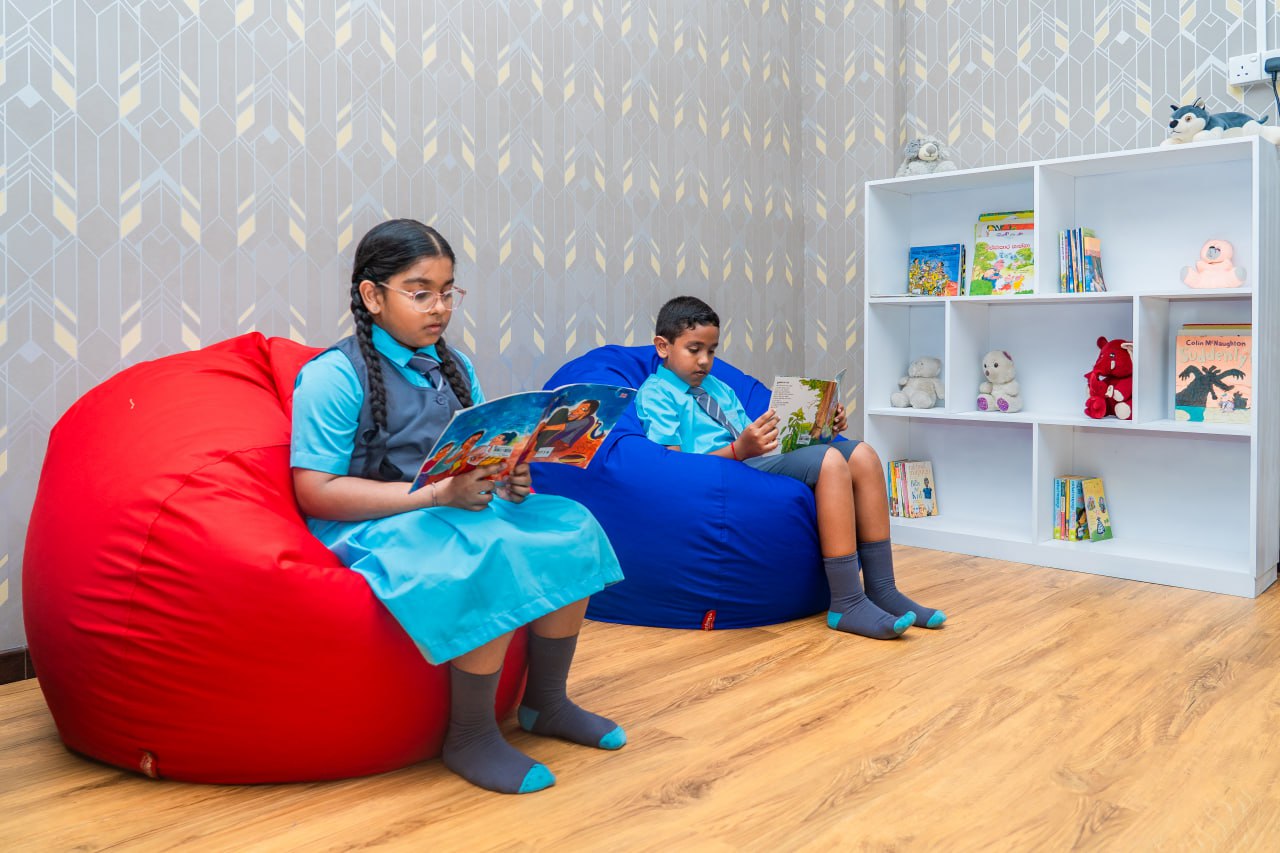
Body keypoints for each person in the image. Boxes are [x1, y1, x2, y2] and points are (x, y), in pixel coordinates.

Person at [290, 219, 625, 795]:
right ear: (373, 296)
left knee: (572, 525)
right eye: (421, 293)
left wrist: (510, 474)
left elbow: (478, 452)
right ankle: (469, 735)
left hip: (450, 506)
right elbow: (314, 490)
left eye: (448, 292)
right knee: (487, 547)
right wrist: (438, 495)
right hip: (372, 520)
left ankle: (546, 701)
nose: (440, 308)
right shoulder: (333, 377)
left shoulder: (456, 367)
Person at [634, 296, 946, 640]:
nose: (705, 361)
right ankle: (847, 602)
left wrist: (822, 426)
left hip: (751, 460)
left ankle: (883, 589)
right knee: (830, 462)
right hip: (723, 472)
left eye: (711, 350)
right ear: (662, 347)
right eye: (694, 350)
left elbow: (754, 436)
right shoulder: (657, 394)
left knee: (863, 455)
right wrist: (739, 450)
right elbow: (672, 467)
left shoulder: (717, 387)